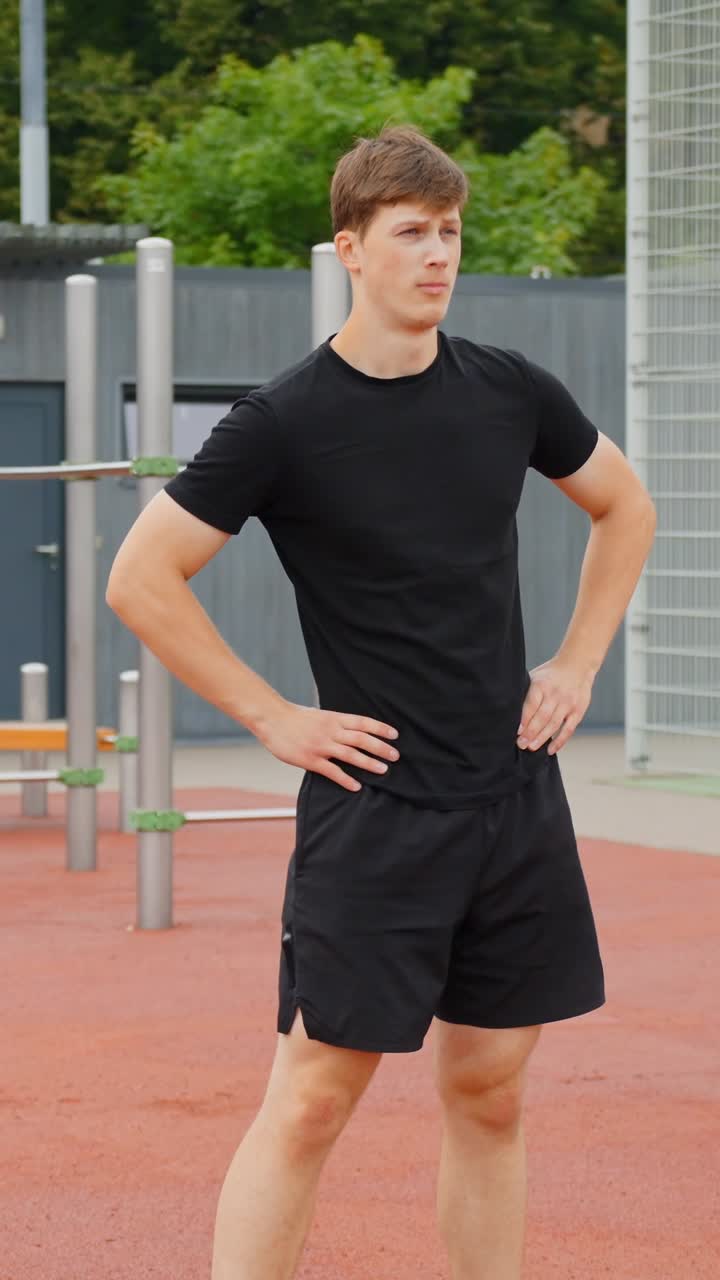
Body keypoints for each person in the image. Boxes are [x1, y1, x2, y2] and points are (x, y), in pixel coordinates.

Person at [106, 124, 656, 1280]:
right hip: (378, 809)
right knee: (311, 1099)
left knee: (491, 1089)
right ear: (349, 247)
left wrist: (578, 661)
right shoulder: (283, 420)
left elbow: (625, 505)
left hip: (513, 797)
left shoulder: (508, 389)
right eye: (411, 232)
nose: (438, 254)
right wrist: (272, 717)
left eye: (450, 231)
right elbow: (140, 577)